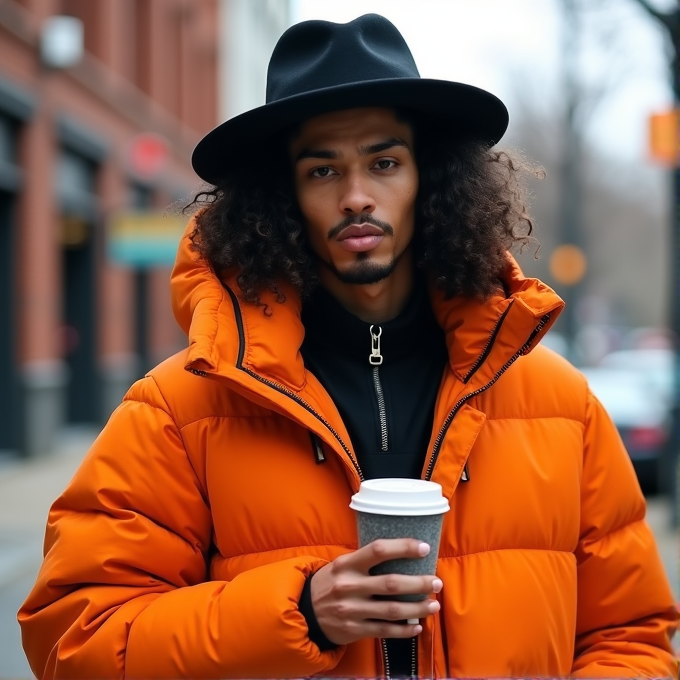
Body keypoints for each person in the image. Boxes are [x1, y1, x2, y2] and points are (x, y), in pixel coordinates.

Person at [19, 13, 678, 680]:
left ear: (433, 180)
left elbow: (634, 637)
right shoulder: (180, 409)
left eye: (385, 162)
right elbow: (76, 639)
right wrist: (298, 613)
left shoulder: (559, 402)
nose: (356, 196)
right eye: (322, 170)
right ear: (281, 197)